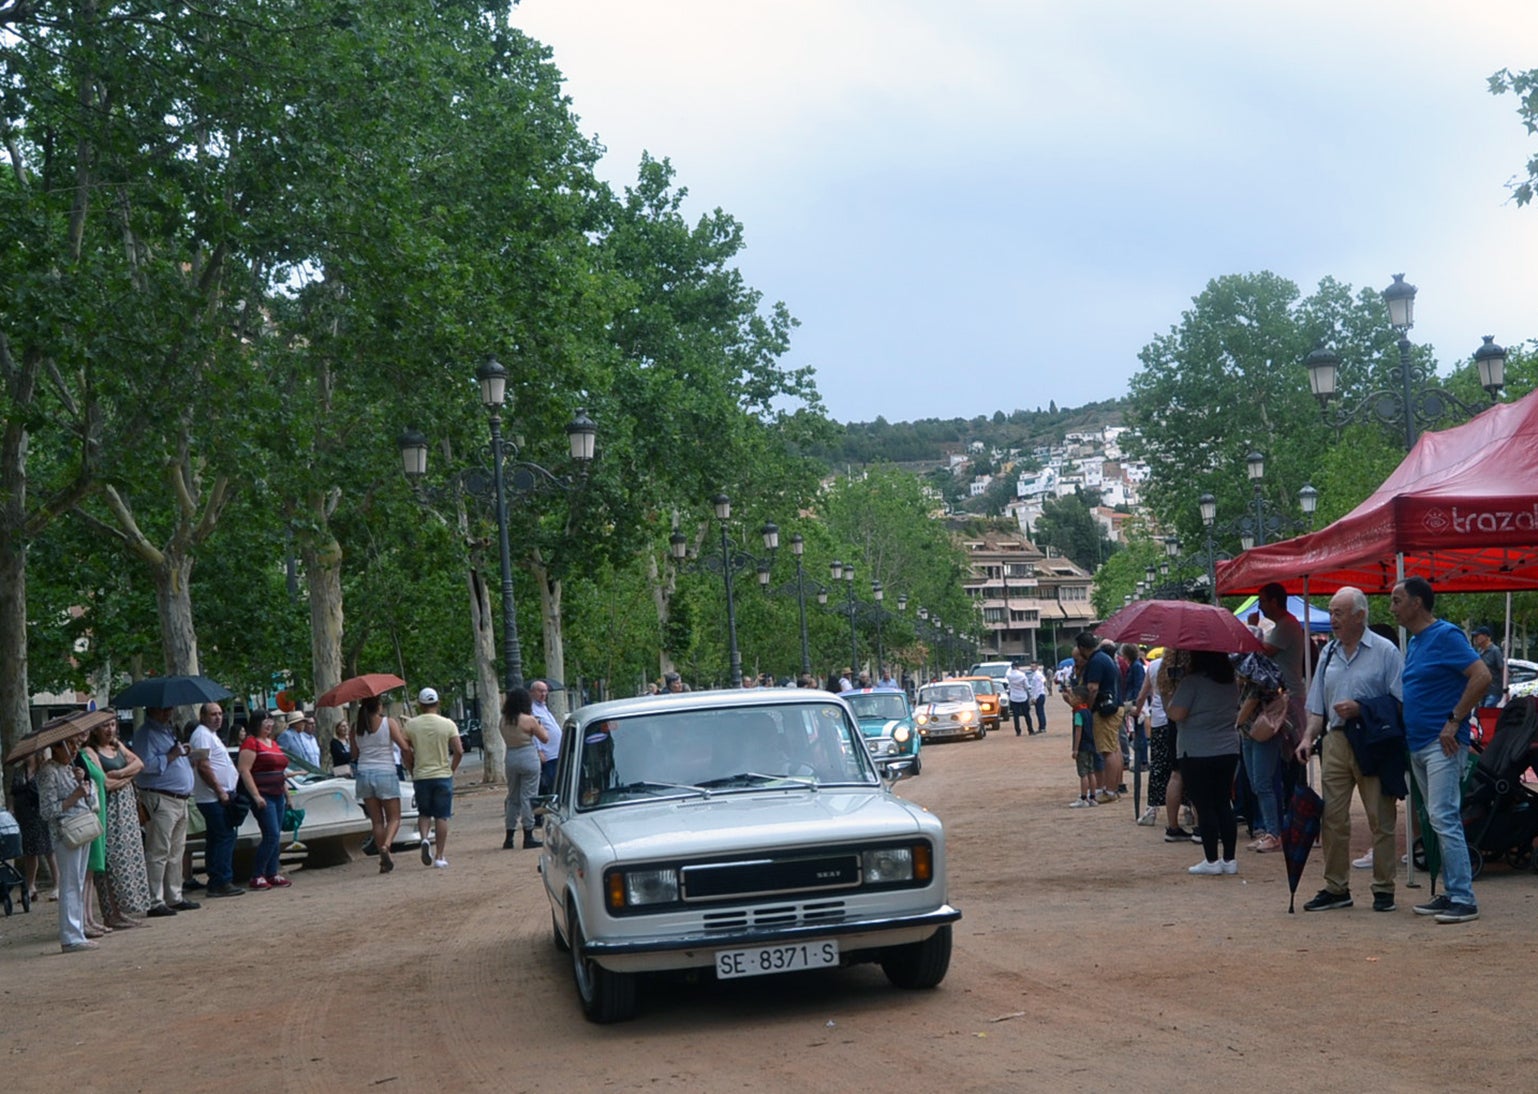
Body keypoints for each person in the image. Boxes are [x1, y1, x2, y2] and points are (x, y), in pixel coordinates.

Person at [1294, 586, 1404, 913]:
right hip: (1336, 741)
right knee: (1333, 818)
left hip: (1373, 741)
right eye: (1330, 612)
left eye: (1338, 613)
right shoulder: (1328, 653)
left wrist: (1362, 708)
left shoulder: (1385, 651)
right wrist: (1307, 737)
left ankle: (1384, 889)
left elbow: (1401, 701)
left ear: (1360, 616)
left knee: (1380, 817)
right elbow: (1317, 706)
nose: (1332, 619)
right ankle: (1336, 887)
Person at [1390, 577, 1490, 924]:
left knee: (1444, 817)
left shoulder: (1445, 635)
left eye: (1397, 600)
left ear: (1417, 603)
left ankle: (1463, 897)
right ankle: (1452, 893)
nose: (1393, 607)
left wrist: (1454, 719)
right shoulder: (1417, 642)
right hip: (1421, 743)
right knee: (1437, 819)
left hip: (1440, 743)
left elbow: (1482, 676)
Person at [1166, 649, 1241, 875]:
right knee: (1223, 803)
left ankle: (1211, 859)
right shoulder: (1231, 682)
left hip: (1197, 750)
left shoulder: (1192, 682)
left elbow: (1176, 714)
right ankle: (1229, 859)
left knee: (1204, 805)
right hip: (1227, 748)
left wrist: (1172, 694)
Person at [133, 704, 200, 917]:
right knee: (158, 850)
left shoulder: (169, 731)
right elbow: (144, 764)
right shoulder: (145, 734)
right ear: (150, 710)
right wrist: (171, 756)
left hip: (179, 799)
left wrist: (183, 754)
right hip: (161, 797)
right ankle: (155, 900)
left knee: (176, 850)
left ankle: (174, 895)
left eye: (169, 709)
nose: (167, 712)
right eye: (162, 709)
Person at [84, 719, 154, 924]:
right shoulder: (90, 751)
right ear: (95, 729)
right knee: (111, 859)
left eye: (113, 725)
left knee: (129, 857)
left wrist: (122, 774)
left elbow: (139, 763)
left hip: (128, 811)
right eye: (105, 725)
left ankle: (122, 909)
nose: (110, 729)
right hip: (109, 809)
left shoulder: (117, 746)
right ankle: (110, 913)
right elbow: (104, 782)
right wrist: (127, 778)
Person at [37, 730, 101, 952]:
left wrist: (82, 782)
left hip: (83, 826)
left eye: (75, 744)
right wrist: (73, 796)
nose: (74, 749)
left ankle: (78, 930)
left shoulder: (72, 768)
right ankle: (70, 935)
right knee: (70, 882)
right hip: (65, 832)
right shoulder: (48, 771)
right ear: (56, 747)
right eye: (69, 745)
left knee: (79, 880)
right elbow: (47, 810)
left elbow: (92, 802)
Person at [402, 687, 463, 869]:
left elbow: (406, 751)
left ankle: (423, 839)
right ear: (438, 703)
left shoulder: (411, 725)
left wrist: (412, 769)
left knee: (424, 813)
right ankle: (440, 855)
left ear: (420, 705)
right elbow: (459, 750)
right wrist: (451, 769)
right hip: (442, 774)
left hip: (421, 775)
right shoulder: (448, 724)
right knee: (442, 817)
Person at [190, 703, 245, 898]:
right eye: (213, 714)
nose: (218, 717)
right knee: (224, 836)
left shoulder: (210, 735)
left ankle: (216, 879)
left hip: (217, 794)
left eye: (220, 714)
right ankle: (221, 880)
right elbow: (203, 767)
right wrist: (220, 790)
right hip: (211, 796)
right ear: (203, 716)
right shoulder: (202, 735)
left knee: (216, 837)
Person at [352, 695, 410, 874]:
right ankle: (386, 846)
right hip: (385, 772)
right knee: (394, 817)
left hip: (364, 774)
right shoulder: (388, 723)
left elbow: (354, 754)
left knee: (377, 821)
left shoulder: (355, 727)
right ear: (378, 706)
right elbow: (403, 747)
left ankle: (383, 859)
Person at [1233, 656, 1284, 854]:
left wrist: (1236, 722)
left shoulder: (1257, 671)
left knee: (1262, 783)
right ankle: (1269, 832)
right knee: (1257, 784)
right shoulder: (1249, 670)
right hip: (1249, 732)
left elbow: (1251, 701)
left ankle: (1273, 833)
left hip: (1261, 731)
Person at [237, 709, 292, 891]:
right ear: (257, 723)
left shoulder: (273, 744)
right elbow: (244, 770)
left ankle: (272, 872)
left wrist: (287, 794)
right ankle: (257, 874)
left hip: (278, 794)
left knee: (276, 836)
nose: (269, 724)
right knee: (271, 834)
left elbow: (280, 772)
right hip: (263, 794)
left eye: (271, 721)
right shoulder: (251, 743)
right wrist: (256, 795)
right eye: (265, 721)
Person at [1074, 632, 1122, 802]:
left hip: (1105, 710)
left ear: (1082, 648)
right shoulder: (1104, 657)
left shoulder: (1095, 661)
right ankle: (1113, 788)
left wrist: (1088, 707)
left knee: (1107, 751)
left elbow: (1093, 688)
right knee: (1114, 749)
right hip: (1115, 707)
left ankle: (1109, 791)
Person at [1258, 582, 1308, 744]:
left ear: (1274, 602)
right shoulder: (1282, 625)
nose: (1259, 606)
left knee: (1291, 745)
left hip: (1290, 695)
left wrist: (1253, 629)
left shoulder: (1287, 624)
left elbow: (1266, 651)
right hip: (1286, 694)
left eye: (1262, 601)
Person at [501, 687, 549, 849]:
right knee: (528, 796)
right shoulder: (529, 720)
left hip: (511, 756)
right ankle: (528, 833)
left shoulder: (504, 720)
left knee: (513, 797)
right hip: (527, 754)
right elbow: (545, 738)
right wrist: (539, 725)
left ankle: (509, 835)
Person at [73, 737, 111, 938]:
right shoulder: (75, 759)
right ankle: (82, 919)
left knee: (90, 873)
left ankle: (88, 917)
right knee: (84, 872)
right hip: (86, 816)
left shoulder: (84, 754)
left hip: (97, 813)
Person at [9, 751, 57, 906]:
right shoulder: (19, 771)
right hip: (24, 816)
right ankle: (31, 886)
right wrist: (11, 810)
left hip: (40, 814)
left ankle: (57, 884)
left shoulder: (43, 770)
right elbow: (13, 793)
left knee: (48, 850)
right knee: (30, 851)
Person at [530, 680, 563, 824]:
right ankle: (539, 816)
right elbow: (534, 731)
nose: (543, 694)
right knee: (546, 785)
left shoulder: (543, 707)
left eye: (545, 691)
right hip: (547, 754)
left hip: (556, 752)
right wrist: (539, 750)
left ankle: (549, 812)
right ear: (532, 692)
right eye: (540, 691)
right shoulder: (532, 709)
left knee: (553, 783)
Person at [1067, 686, 1099, 807]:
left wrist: (1075, 748)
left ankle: (1083, 797)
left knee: (1083, 773)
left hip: (1083, 746)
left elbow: (1078, 731)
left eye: (1073, 697)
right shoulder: (1088, 712)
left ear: (1079, 699)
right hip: (1091, 745)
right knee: (1091, 772)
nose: (1071, 699)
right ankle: (1093, 796)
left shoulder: (1078, 714)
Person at [1471, 626, 1506, 708]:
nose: (1475, 638)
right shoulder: (1479, 652)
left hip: (1493, 690)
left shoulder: (1495, 651)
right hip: (1482, 691)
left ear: (1486, 636)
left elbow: (1503, 669)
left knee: (1487, 711)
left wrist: (1505, 689)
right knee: (1478, 714)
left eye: (1477, 636)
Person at [1005, 661, 1033, 736]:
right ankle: (1030, 730)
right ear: (1018, 667)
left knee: (1016, 716)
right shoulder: (1022, 675)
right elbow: (1026, 686)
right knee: (1027, 714)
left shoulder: (1009, 675)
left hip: (1014, 697)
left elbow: (1007, 672)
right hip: (1023, 696)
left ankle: (1018, 731)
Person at [1030, 662, 1049, 734]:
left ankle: (1042, 727)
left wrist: (1034, 697)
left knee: (1040, 712)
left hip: (1039, 695)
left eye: (1033, 667)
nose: (1032, 668)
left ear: (1037, 667)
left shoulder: (1037, 675)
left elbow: (1037, 688)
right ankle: (1041, 726)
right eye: (1031, 666)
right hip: (1040, 694)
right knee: (1039, 712)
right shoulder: (1038, 674)